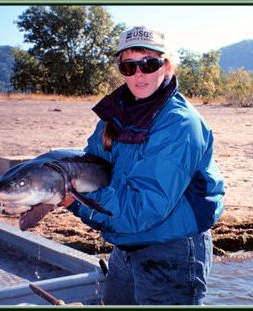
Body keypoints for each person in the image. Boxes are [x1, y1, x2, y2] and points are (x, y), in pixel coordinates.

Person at [65, 25, 225, 305]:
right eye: (129, 67)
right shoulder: (114, 114)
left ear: (166, 65)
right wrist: (55, 183)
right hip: (125, 244)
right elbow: (92, 165)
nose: (139, 74)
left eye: (148, 64)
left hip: (171, 252)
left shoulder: (180, 124)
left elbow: (144, 208)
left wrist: (74, 200)